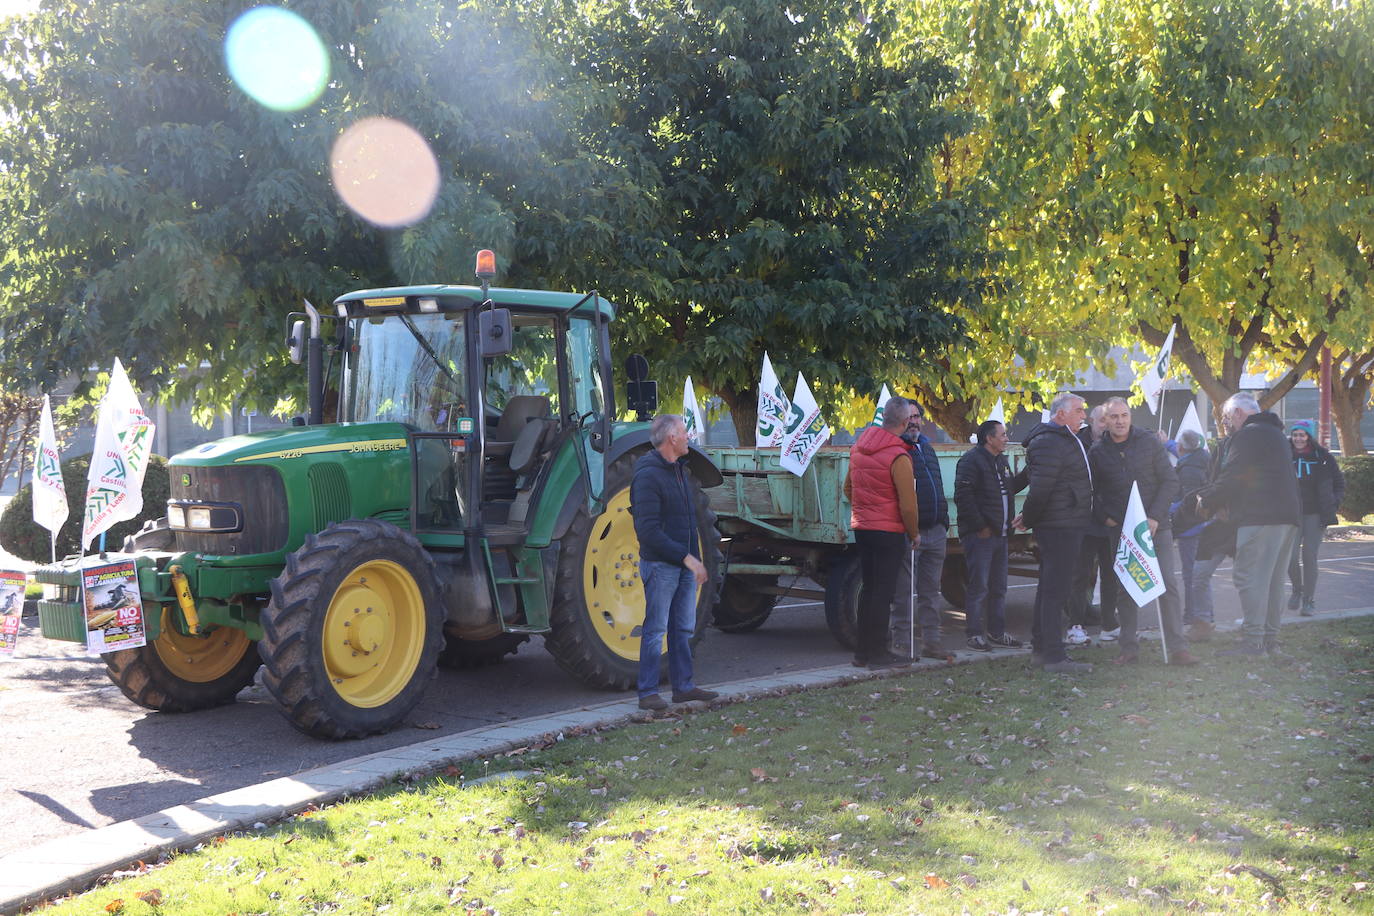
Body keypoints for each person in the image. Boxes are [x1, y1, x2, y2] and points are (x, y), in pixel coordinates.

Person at [1088, 397, 1198, 666]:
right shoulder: (1097, 451)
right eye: (1114, 417)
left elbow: (1170, 480)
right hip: (1121, 530)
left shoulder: (1149, 442)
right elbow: (1091, 492)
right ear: (1105, 420)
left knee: (1166, 585)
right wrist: (1105, 518)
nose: (1120, 421)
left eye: (1124, 415)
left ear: (1130, 416)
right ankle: (1129, 649)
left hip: (1157, 527)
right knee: (1126, 587)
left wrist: (1154, 516)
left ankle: (1177, 649)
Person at [1197, 392, 1301, 660]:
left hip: (1260, 516)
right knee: (1274, 581)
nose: (1225, 423)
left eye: (1226, 417)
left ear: (1238, 414)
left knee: (1250, 577)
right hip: (1287, 516)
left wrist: (1206, 499)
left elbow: (1233, 476)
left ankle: (1253, 644)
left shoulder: (1248, 435)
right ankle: (1269, 642)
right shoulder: (1276, 434)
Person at [630, 414, 720, 711]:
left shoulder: (679, 470)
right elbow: (648, 532)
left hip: (682, 566)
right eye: (684, 433)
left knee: (682, 629)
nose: (688, 438)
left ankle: (683, 687)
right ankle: (648, 693)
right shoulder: (647, 475)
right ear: (671, 439)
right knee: (656, 629)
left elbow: (687, 522)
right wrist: (687, 558)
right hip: (661, 566)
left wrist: (692, 559)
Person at [1017, 392, 1095, 675]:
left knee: (1050, 589)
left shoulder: (1061, 439)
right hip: (1060, 526)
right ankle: (1053, 656)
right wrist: (1029, 517)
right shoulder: (1050, 441)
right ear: (1060, 414)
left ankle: (1042, 650)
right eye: (1078, 410)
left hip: (1066, 522)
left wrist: (1030, 516)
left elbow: (1036, 479)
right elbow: (1040, 488)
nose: (1083, 415)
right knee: (1056, 591)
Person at [844, 396, 921, 669]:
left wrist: (864, 509)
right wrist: (914, 533)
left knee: (868, 590)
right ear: (903, 422)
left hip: (862, 527)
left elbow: (848, 489)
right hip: (888, 530)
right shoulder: (899, 455)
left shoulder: (858, 448)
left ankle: (862, 653)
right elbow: (908, 504)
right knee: (883, 593)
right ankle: (878, 654)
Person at [953, 419, 1026, 651]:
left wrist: (1030, 472)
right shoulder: (971, 461)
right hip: (981, 536)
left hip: (1001, 535)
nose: (1006, 439)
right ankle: (974, 635)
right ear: (989, 438)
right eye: (1002, 435)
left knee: (999, 587)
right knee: (978, 587)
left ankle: (996, 633)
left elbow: (1009, 489)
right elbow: (963, 497)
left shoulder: (1000, 461)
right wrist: (980, 526)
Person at [889, 402, 951, 660]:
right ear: (901, 420)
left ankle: (932, 643)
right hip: (910, 533)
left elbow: (936, 485)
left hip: (935, 531)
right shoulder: (896, 449)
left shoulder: (926, 447)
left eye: (917, 416)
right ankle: (901, 645)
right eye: (910, 417)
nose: (914, 421)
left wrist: (944, 521)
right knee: (903, 594)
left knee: (931, 593)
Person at [1287, 420, 1345, 616]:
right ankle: (1297, 588)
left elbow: (1339, 482)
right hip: (1291, 515)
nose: (1298, 438)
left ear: (1308, 436)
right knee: (1290, 557)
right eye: (1295, 434)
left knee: (1309, 557)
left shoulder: (1323, 457)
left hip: (1315, 515)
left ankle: (1309, 600)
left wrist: (1333, 503)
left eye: (1302, 435)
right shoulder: (1284, 455)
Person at [1067, 404, 1113, 644]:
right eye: (1102, 420)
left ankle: (1109, 625)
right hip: (1084, 523)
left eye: (1110, 419)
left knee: (1110, 575)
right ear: (1092, 422)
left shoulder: (1113, 445)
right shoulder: (1076, 445)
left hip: (1109, 523)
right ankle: (1075, 624)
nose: (1106, 424)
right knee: (1080, 575)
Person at [1171, 429, 1213, 638]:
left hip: (1191, 527)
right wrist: (1166, 442)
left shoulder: (1188, 469)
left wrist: (1167, 508)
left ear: (1181, 448)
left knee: (1192, 575)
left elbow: (1188, 500)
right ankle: (1202, 615)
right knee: (1199, 575)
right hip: (1202, 526)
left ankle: (1195, 616)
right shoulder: (1201, 459)